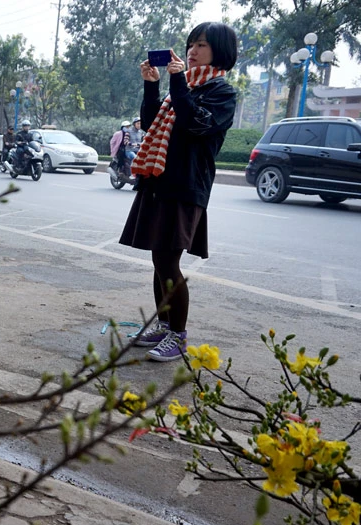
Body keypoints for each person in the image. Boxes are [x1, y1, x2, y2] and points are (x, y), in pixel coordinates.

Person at [119, 21, 238, 362]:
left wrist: (177, 81)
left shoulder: (221, 92)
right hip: (160, 180)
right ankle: (165, 326)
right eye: (191, 44)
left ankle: (178, 336)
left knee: (168, 260)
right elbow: (151, 122)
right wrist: (151, 86)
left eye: (202, 45)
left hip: (186, 185)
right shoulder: (182, 89)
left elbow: (194, 123)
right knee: (159, 260)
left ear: (219, 51)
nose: (193, 50)